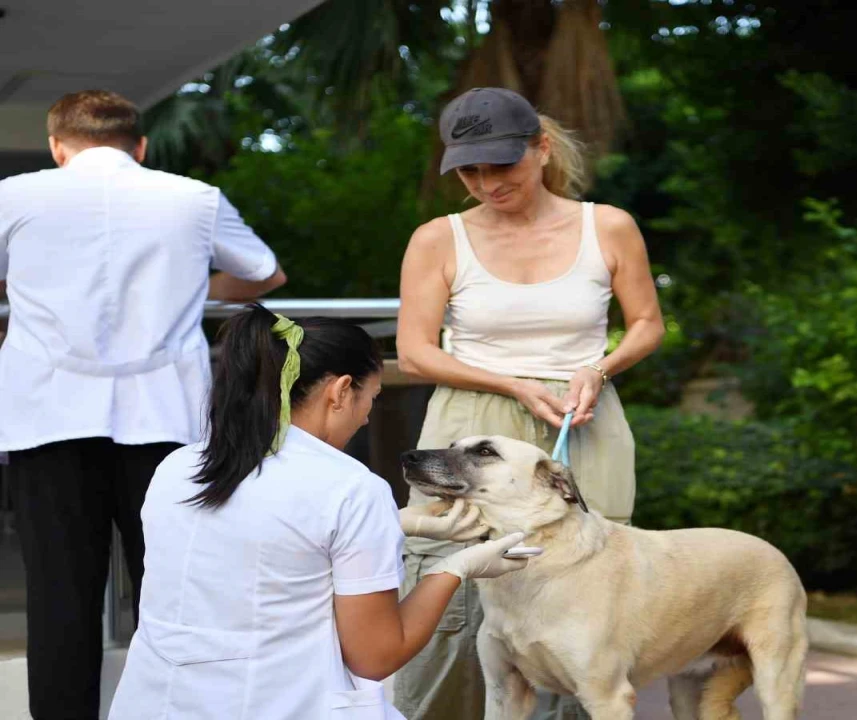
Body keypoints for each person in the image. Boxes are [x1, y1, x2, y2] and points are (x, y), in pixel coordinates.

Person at [0, 89, 288, 719]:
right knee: (177, 596)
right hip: (166, 418)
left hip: (47, 418)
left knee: (59, 600)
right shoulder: (193, 198)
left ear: (57, 147)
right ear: (141, 146)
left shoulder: (13, 196)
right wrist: (191, 286)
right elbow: (264, 273)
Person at [108, 305, 528, 719]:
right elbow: (376, 655)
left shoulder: (180, 466)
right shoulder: (351, 488)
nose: (366, 419)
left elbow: (263, 547)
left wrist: (397, 525)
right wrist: (454, 568)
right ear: (341, 390)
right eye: (371, 399)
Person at [393, 87, 665, 720]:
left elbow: (648, 324)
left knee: (589, 595)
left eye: (502, 165)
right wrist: (512, 384)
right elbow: (414, 352)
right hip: (470, 425)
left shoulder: (609, 226)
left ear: (541, 148)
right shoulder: (437, 238)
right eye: (470, 170)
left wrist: (599, 368)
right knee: (451, 586)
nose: (487, 183)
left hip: (582, 419)